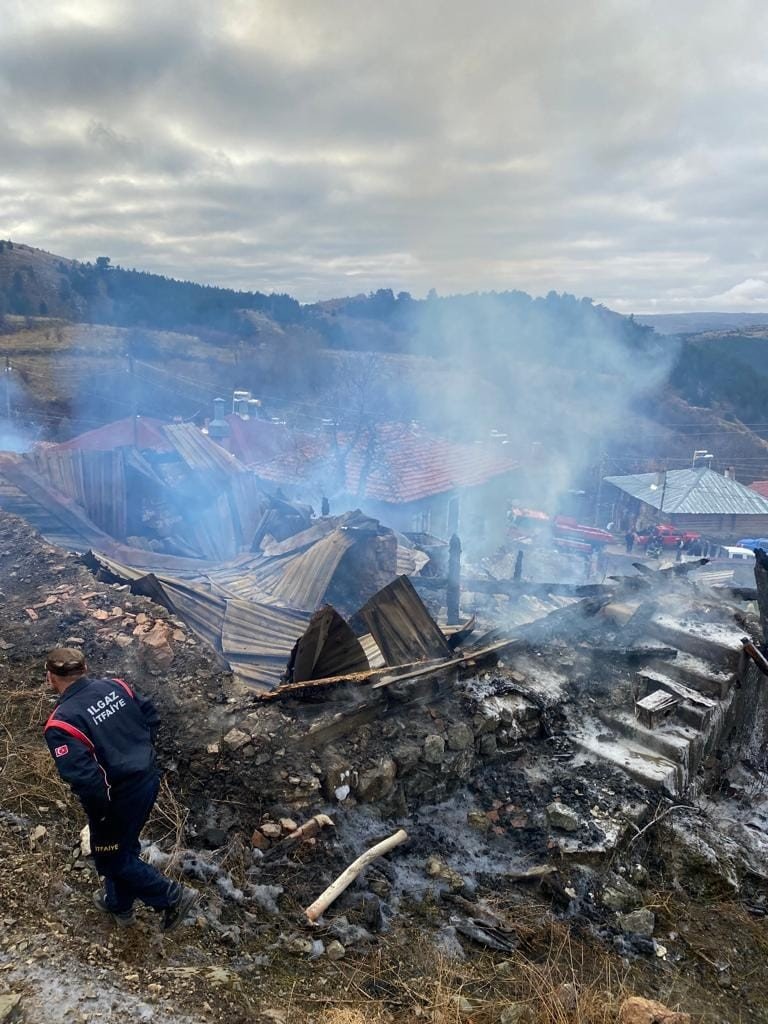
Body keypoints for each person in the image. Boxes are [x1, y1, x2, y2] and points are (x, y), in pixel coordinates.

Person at [43, 648, 199, 930]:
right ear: (85, 667)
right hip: (147, 779)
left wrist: (101, 815)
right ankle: (119, 905)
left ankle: (172, 896)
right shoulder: (117, 686)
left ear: (50, 678)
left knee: (111, 857)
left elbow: (87, 781)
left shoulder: (62, 723)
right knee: (123, 845)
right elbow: (151, 715)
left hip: (116, 797)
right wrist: (139, 752)